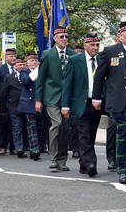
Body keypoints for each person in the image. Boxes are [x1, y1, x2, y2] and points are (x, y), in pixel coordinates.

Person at [92, 21, 126, 184]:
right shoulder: (110, 52)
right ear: (120, 37)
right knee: (124, 130)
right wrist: (96, 97)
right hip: (119, 101)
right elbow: (99, 77)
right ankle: (122, 170)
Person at [35, 26, 76, 171]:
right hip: (51, 97)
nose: (64, 39)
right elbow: (41, 79)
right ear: (55, 38)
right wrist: (38, 99)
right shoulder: (47, 54)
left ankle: (62, 160)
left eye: (66, 36)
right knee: (57, 124)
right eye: (61, 36)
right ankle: (53, 158)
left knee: (65, 129)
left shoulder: (72, 55)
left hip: (67, 99)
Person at [62, 33, 102, 177]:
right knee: (84, 133)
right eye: (92, 45)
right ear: (85, 46)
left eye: (97, 45)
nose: (95, 48)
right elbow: (67, 84)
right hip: (80, 103)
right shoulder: (74, 60)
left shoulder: (102, 60)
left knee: (91, 134)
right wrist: (65, 105)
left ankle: (84, 164)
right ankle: (91, 163)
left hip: (97, 103)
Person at [0, 57, 27, 158]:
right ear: (15, 67)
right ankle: (19, 148)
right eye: (20, 65)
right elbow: (3, 93)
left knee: (25, 128)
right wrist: (2, 109)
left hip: (27, 107)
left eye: (24, 65)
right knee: (17, 128)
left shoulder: (29, 77)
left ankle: (24, 147)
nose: (22, 66)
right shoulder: (9, 77)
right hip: (14, 107)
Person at [18, 53, 41, 161]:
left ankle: (40, 147)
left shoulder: (42, 72)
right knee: (31, 128)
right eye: (31, 61)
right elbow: (26, 81)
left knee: (41, 127)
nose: (34, 63)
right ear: (27, 63)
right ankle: (34, 149)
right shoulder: (24, 72)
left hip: (41, 103)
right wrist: (37, 70)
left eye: (36, 60)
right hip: (29, 104)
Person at [0, 48, 17, 155]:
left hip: (15, 101)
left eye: (14, 56)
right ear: (6, 57)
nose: (13, 58)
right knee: (3, 124)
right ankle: (2, 146)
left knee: (14, 125)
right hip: (4, 101)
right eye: (11, 56)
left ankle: (13, 147)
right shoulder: (0, 69)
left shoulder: (18, 69)